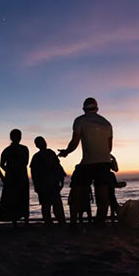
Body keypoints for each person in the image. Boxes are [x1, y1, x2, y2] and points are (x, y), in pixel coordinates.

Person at [59, 97, 113, 228]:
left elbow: (74, 142)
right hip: (105, 162)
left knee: (76, 191)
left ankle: (73, 224)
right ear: (97, 108)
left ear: (83, 109)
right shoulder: (107, 123)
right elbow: (109, 147)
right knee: (102, 195)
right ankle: (99, 224)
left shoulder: (80, 120)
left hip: (88, 163)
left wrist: (66, 152)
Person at [30, 136, 66, 226]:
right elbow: (33, 173)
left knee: (56, 205)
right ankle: (49, 223)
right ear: (37, 145)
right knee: (46, 206)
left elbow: (58, 166)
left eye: (44, 141)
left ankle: (60, 222)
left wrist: (61, 179)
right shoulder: (36, 157)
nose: (43, 143)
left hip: (53, 183)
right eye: (41, 142)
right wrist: (36, 186)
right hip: (44, 185)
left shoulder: (50, 153)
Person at [0, 129, 30, 226]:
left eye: (19, 136)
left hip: (21, 177)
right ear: (12, 137)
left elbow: (25, 162)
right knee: (13, 199)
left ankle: (25, 220)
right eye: (16, 136)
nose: (18, 138)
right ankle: (15, 221)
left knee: (23, 198)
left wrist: (10, 169)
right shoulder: (7, 150)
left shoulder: (24, 148)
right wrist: (9, 170)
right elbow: (1, 164)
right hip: (12, 178)